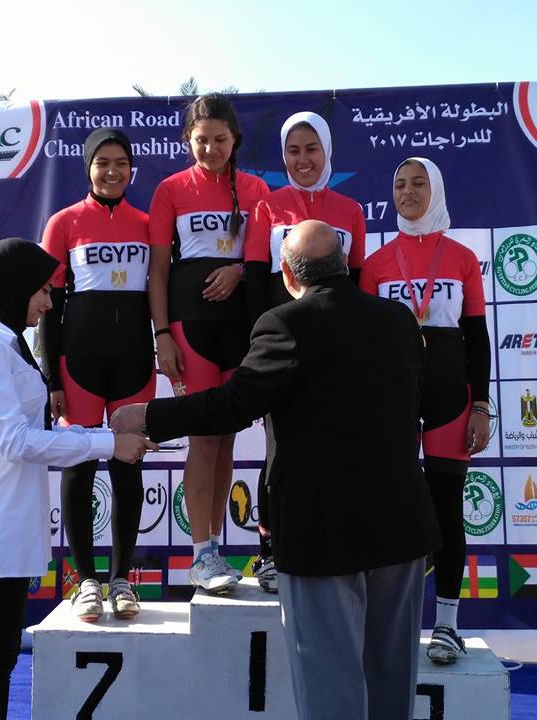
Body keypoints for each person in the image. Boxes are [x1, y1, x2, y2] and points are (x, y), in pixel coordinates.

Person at [112, 220, 439, 720]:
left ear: (287, 274)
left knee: (331, 688)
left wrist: (149, 415)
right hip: (402, 525)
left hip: (323, 529)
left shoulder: (284, 324)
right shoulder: (398, 319)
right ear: (344, 264)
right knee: (392, 683)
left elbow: (231, 406)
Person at [0, 238, 153, 719]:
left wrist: (108, 435)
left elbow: (32, 430)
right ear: (11, 287)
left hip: (6, 517)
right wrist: (107, 446)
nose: (48, 303)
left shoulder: (3, 340)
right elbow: (14, 441)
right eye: (41, 291)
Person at [360, 157, 492, 665]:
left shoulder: (461, 258)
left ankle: (447, 624)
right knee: (386, 505)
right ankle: (382, 622)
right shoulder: (376, 262)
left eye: (418, 183)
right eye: (399, 184)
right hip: (392, 398)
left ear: (435, 189)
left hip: (449, 396)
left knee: (446, 507)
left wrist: (480, 405)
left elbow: (477, 339)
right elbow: (365, 344)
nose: (408, 192)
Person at [147, 93, 268, 592]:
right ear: (187, 140)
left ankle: (215, 551)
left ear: (234, 139)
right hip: (189, 326)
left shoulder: (256, 188)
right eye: (201, 140)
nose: (211, 149)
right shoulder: (171, 189)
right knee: (203, 437)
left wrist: (239, 270)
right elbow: (157, 271)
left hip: (240, 327)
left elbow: (263, 261)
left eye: (220, 140)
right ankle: (200, 553)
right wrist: (161, 335)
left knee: (227, 439)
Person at [244, 111, 366, 592]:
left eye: (311, 149)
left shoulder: (350, 209)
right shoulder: (266, 207)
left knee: (333, 447)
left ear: (327, 151)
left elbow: (357, 283)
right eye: (293, 151)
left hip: (337, 349)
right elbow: (256, 279)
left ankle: (327, 546)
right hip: (284, 345)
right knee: (278, 452)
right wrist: (259, 344)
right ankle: (270, 552)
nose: (302, 159)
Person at [39, 128, 155, 623]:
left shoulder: (148, 223)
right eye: (102, 162)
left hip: (135, 362)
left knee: (129, 466)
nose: (112, 171)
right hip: (79, 365)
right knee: (80, 466)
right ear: (88, 168)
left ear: (131, 169)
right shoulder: (64, 222)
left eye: (121, 163)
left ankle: (122, 578)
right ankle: (86, 580)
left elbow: (160, 291)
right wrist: (51, 377)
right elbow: (48, 306)